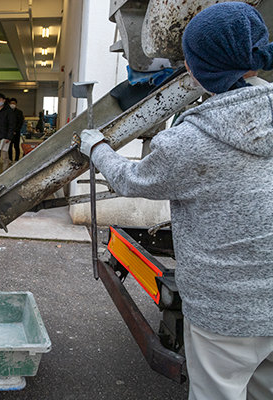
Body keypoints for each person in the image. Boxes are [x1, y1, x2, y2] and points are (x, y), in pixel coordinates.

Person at [80, 3, 273, 399]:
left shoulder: (188, 142)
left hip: (225, 311)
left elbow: (132, 180)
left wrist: (96, 147)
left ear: (195, 68)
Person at [0, 93, 15, 174]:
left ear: (4, 100)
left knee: (5, 157)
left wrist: (9, 137)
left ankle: (5, 173)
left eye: (0, 99)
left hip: (5, 138)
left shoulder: (9, 111)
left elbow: (11, 125)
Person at [8, 97, 24, 162]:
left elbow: (20, 122)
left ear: (16, 104)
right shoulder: (7, 112)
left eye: (14, 103)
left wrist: (15, 130)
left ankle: (17, 159)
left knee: (16, 146)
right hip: (9, 133)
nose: (12, 104)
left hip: (16, 133)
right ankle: (10, 159)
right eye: (11, 103)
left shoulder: (19, 112)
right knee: (9, 147)